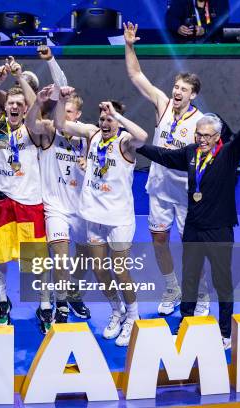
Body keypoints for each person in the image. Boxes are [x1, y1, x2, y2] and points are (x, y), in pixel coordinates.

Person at [137, 86, 240, 350]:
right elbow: (165, 156)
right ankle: (185, 324)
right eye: (198, 134)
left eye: (207, 136)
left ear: (217, 136)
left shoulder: (229, 154)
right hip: (194, 228)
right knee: (190, 278)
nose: (202, 139)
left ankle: (224, 332)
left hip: (219, 229)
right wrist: (139, 146)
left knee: (222, 281)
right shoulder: (190, 153)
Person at [124, 21, 211, 317]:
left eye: (183, 89)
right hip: (159, 189)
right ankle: (172, 287)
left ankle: (199, 294)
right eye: (175, 86)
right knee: (159, 241)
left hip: (187, 194)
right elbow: (136, 75)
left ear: (193, 95)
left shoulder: (201, 123)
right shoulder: (162, 105)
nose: (176, 92)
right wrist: (129, 45)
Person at [55, 89, 149, 346]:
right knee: (99, 269)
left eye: (110, 119)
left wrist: (117, 113)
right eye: (103, 118)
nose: (105, 123)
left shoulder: (126, 142)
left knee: (120, 270)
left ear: (118, 121)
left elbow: (144, 136)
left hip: (119, 219)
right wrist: (62, 100)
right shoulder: (92, 133)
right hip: (94, 216)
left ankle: (132, 316)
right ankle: (116, 310)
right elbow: (60, 123)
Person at [24, 85, 91, 332]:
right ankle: (60, 304)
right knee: (60, 258)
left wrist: (91, 165)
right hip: (55, 207)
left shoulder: (87, 137)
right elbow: (31, 123)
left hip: (81, 208)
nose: (66, 115)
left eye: (70, 111)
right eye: (63, 109)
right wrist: (43, 103)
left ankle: (72, 293)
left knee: (85, 256)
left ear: (78, 115)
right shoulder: (50, 131)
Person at [0, 59, 43, 326]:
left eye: (20, 104)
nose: (15, 106)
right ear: (5, 105)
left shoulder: (33, 129)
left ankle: (44, 305)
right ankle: (1, 301)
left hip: (30, 202)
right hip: (2, 201)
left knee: (34, 262)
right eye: (11, 102)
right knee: (0, 258)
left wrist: (20, 78)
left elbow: (37, 108)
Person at [165, 0, 230, 43]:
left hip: (213, 42)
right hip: (187, 43)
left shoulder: (220, 1)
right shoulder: (181, 1)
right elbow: (171, 18)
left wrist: (205, 29)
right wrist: (178, 27)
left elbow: (222, 20)